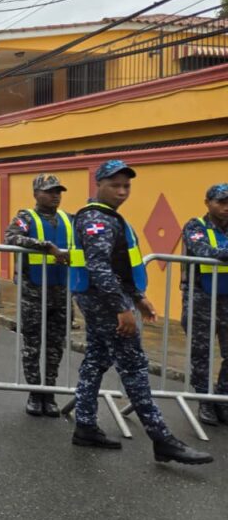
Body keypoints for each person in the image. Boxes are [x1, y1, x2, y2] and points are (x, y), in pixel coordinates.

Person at [68, 159, 212, 464]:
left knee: (96, 359)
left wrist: (139, 298)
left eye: (127, 185)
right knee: (133, 366)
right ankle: (162, 438)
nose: (122, 191)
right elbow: (99, 268)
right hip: (105, 301)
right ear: (99, 185)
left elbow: (120, 265)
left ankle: (85, 424)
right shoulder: (97, 220)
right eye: (115, 185)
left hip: (103, 298)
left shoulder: (109, 217)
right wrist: (123, 308)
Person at [4, 174, 71, 418]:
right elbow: (11, 237)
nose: (55, 195)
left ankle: (49, 394)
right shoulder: (25, 218)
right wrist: (46, 246)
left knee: (55, 347)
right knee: (32, 346)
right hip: (33, 293)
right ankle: (34, 394)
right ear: (36, 194)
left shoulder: (68, 219)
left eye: (58, 191)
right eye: (50, 191)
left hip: (62, 292)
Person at [180, 183, 228, 426]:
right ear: (208, 203)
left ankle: (222, 400)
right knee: (202, 354)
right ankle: (204, 402)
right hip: (201, 299)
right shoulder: (195, 226)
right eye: (221, 202)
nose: (226, 207)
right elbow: (202, 250)